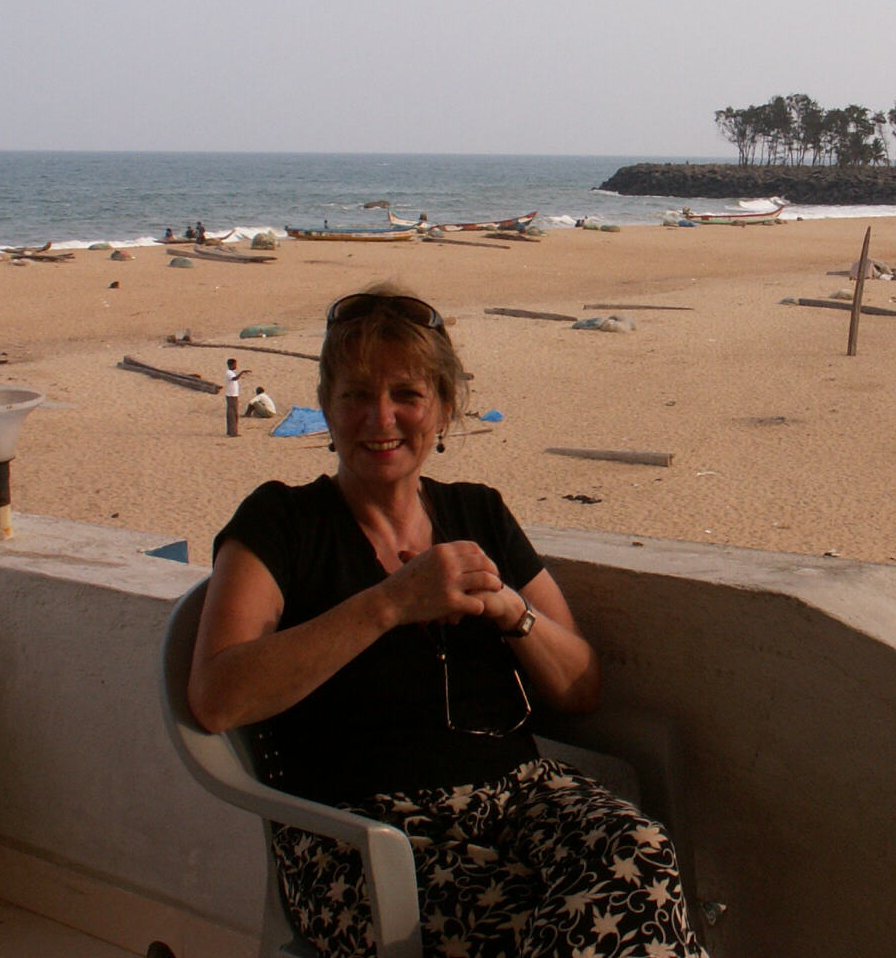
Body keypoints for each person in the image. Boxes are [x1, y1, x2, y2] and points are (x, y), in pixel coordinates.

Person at [188, 287, 704, 957]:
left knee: (642, 852)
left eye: (407, 393)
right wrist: (390, 604)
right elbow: (218, 696)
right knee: (584, 924)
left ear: (444, 408)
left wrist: (512, 613)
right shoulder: (282, 522)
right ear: (327, 408)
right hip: (361, 832)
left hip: (521, 799)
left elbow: (581, 690)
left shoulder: (479, 513)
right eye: (355, 395)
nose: (382, 418)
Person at [224, 358, 249, 437]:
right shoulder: (229, 373)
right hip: (231, 396)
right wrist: (242, 373)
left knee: (233, 414)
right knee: (233, 414)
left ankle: (231, 431)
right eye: (235, 364)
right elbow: (234, 379)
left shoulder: (231, 373)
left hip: (233, 395)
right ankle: (233, 432)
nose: (236, 366)